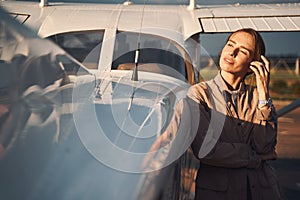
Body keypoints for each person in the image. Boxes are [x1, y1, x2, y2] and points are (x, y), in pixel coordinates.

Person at [144, 28, 283, 200]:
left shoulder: (258, 98)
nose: (232, 52)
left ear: (253, 65)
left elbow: (265, 146)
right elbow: (206, 150)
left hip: (261, 191)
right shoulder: (199, 94)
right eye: (230, 45)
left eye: (243, 51)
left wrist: (264, 95)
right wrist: (254, 157)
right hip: (219, 193)